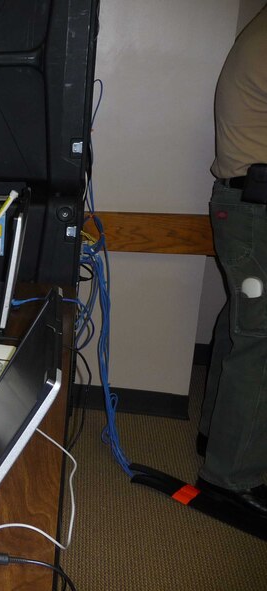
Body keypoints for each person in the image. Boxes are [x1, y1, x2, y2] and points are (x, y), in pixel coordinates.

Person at [197, 6, 267, 517]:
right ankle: (230, 475)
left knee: (243, 325)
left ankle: (216, 437)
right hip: (255, 207)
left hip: (242, 203)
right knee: (260, 343)